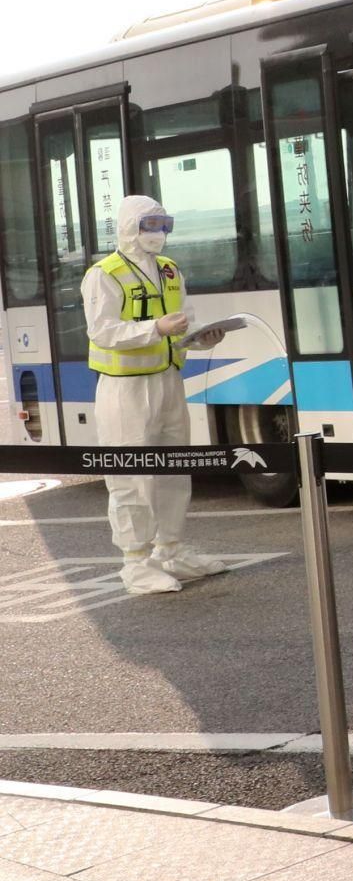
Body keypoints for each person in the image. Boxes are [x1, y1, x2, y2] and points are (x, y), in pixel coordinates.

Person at [83, 195, 228, 595]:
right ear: (130, 226)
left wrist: (200, 339)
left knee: (173, 467)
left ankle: (171, 550)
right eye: (150, 224)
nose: (159, 232)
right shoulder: (104, 274)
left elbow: (183, 324)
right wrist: (155, 329)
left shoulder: (168, 269)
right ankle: (135, 563)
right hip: (125, 387)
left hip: (167, 379)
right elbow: (102, 331)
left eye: (164, 224)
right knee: (131, 475)